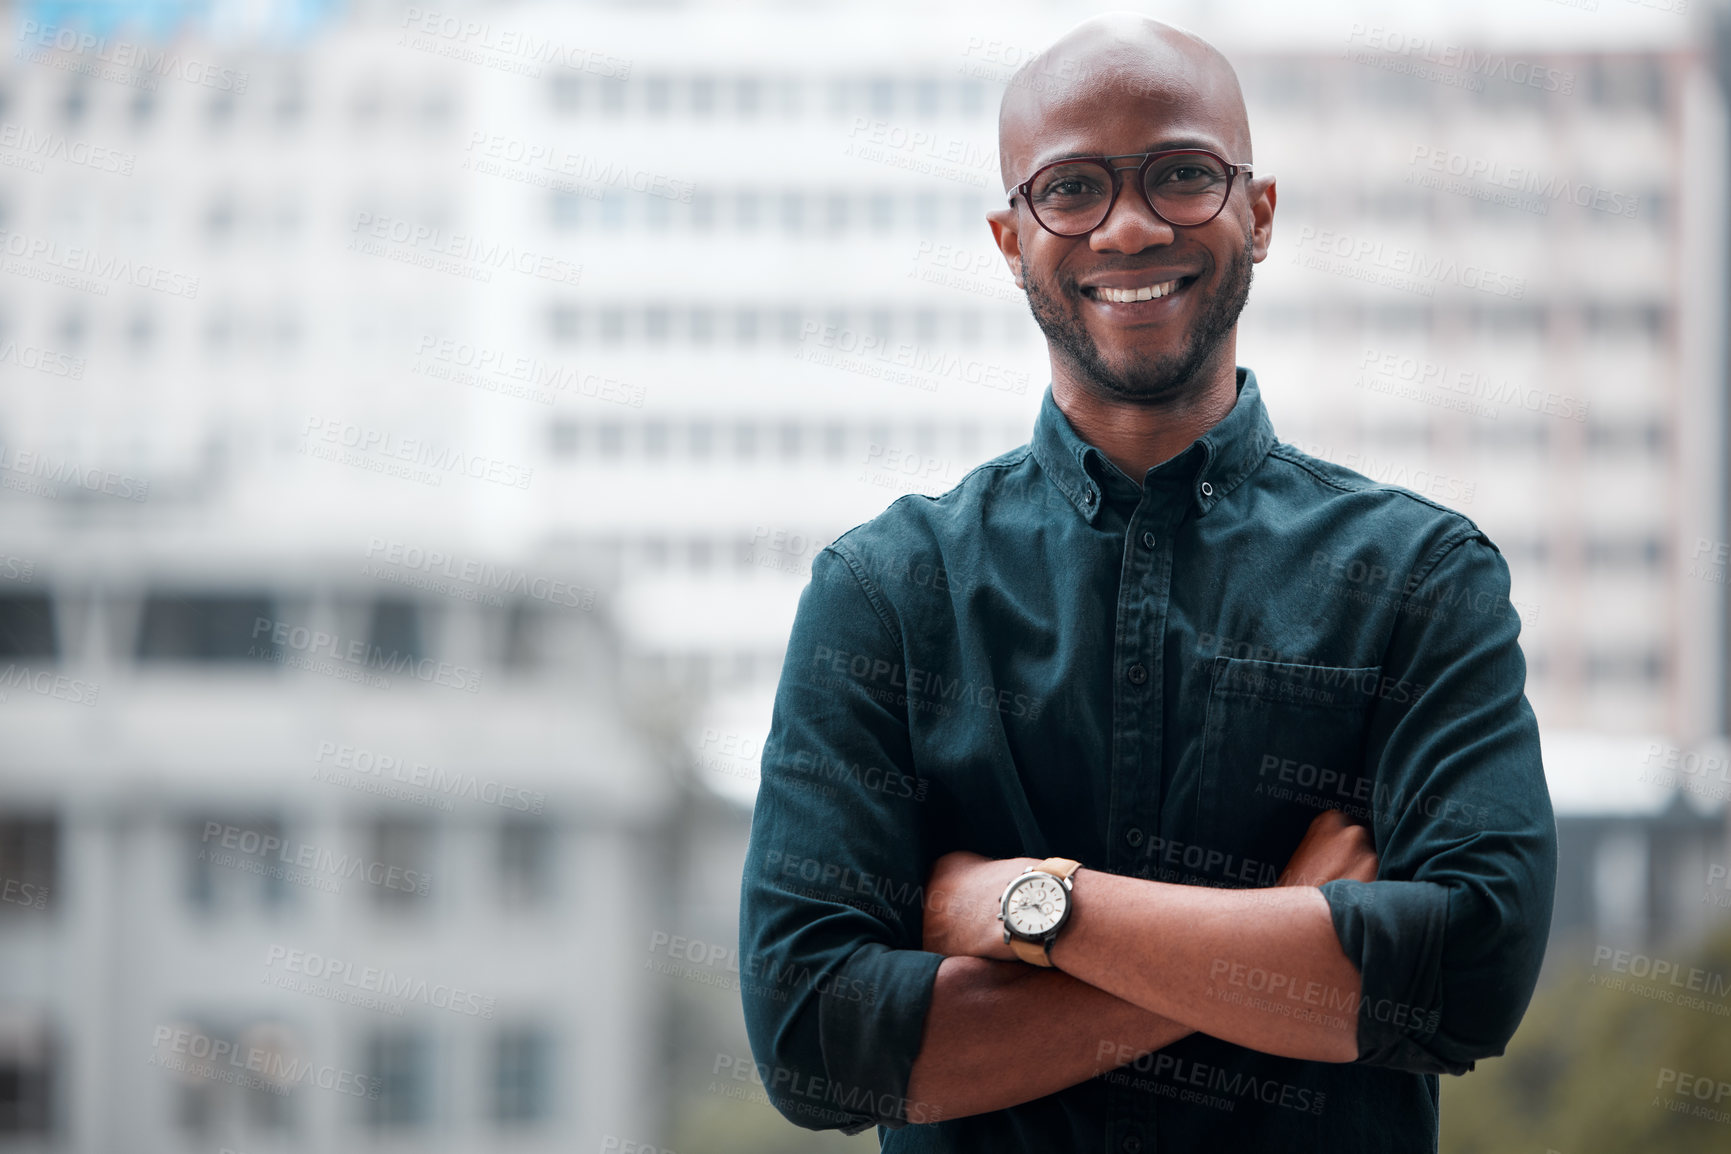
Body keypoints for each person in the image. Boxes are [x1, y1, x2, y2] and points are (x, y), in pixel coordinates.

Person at [738, 12, 1556, 1152]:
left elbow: (1467, 974)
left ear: (1257, 213)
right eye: (1069, 189)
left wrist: (1033, 906)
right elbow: (814, 1042)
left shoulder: (1422, 577)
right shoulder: (885, 593)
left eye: (1182, 175)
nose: (1127, 227)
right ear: (1009, 237)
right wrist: (1281, 939)